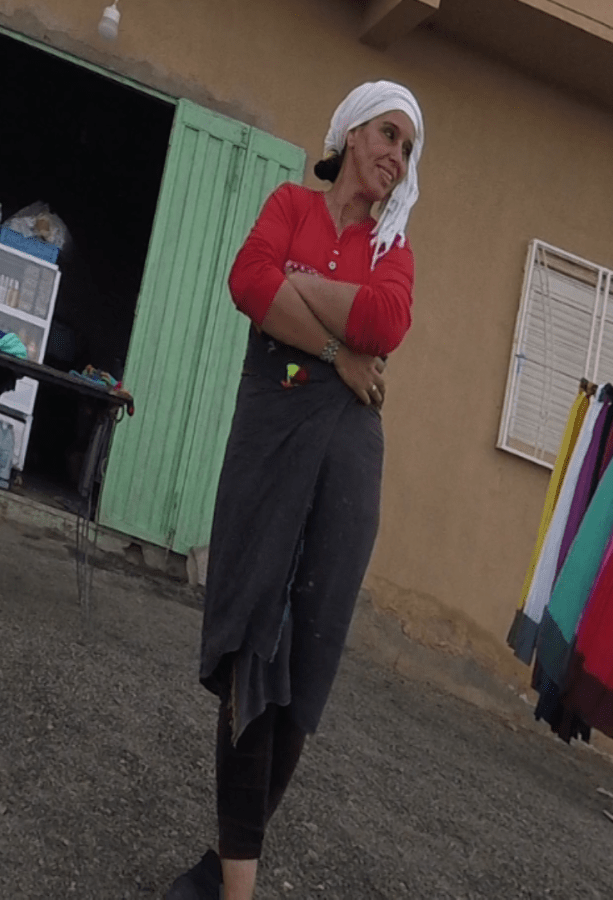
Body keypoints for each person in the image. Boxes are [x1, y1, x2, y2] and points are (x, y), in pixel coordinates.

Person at [165, 81, 425, 900]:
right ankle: (237, 885)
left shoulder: (394, 248)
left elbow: (384, 322)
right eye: (388, 134)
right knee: (253, 639)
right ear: (349, 133)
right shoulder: (290, 204)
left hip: (348, 459)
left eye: (408, 147)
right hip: (272, 438)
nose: (397, 155)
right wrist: (339, 354)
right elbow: (249, 280)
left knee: (306, 657)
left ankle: (223, 871)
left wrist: (298, 289)